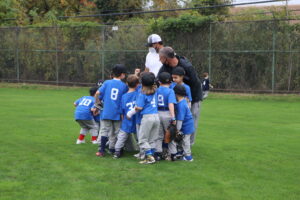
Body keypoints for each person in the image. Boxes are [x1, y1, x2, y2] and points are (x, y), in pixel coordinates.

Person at [157, 46, 203, 145]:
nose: (159, 60)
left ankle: (188, 145)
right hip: (177, 98)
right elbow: (158, 79)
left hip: (193, 97)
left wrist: (188, 101)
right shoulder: (165, 67)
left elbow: (195, 83)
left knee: (191, 121)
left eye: (160, 58)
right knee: (178, 120)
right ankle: (177, 144)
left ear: (167, 58)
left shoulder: (187, 66)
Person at [95, 64, 128, 157]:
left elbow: (97, 93)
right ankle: (117, 150)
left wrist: (97, 103)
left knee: (104, 130)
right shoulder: (123, 86)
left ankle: (101, 150)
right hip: (117, 112)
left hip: (107, 111)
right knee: (117, 131)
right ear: (122, 75)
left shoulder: (107, 82)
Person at [127, 72, 160, 164]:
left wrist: (130, 113)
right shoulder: (155, 90)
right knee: (152, 139)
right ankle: (151, 156)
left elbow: (139, 107)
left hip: (147, 117)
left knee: (142, 139)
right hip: (156, 116)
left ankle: (150, 157)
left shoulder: (142, 93)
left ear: (142, 83)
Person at [113, 75, 139, 159]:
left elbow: (122, 110)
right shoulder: (139, 94)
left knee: (121, 137)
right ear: (137, 84)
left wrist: (123, 119)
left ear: (127, 84)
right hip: (136, 119)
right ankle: (142, 151)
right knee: (139, 136)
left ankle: (117, 152)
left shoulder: (124, 97)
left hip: (126, 120)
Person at [169, 84, 195, 162]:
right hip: (188, 125)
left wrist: (177, 130)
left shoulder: (181, 105)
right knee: (182, 140)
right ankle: (181, 152)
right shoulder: (183, 101)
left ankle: (188, 156)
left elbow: (180, 120)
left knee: (185, 141)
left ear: (176, 94)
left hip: (186, 126)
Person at [155, 72, 176, 160]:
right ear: (170, 82)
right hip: (167, 113)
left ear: (159, 82)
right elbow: (171, 104)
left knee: (159, 136)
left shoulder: (157, 90)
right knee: (170, 135)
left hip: (158, 113)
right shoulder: (170, 91)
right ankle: (173, 154)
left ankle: (158, 154)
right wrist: (173, 117)